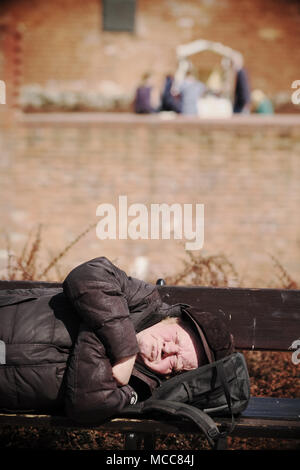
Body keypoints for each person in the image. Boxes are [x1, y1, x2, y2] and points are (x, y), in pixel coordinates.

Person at [0, 257, 233, 424]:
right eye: (176, 340)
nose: (167, 351)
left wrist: (97, 319)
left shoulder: (140, 388)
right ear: (172, 320)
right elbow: (88, 275)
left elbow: (88, 404)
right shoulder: (143, 300)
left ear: (169, 375)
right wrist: (125, 350)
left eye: (176, 364)